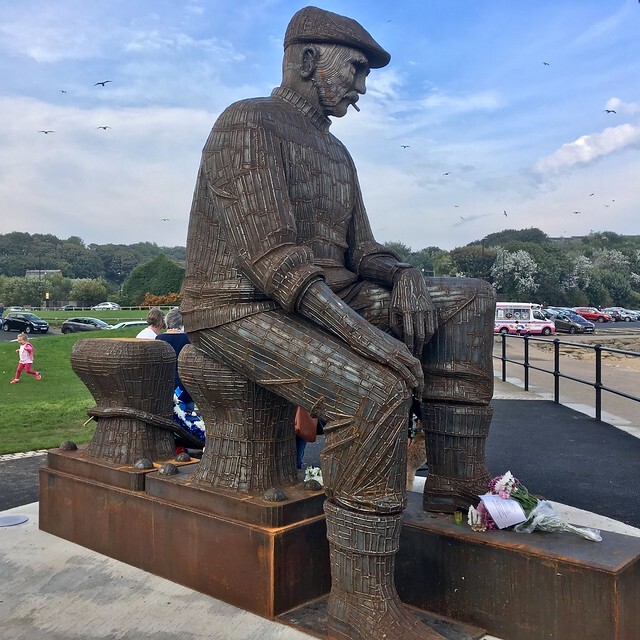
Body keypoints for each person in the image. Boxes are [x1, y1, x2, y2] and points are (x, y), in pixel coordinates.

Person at [181, 7, 495, 639]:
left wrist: (404, 275)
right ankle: (360, 599)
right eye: (355, 69)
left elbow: (362, 251)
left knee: (470, 299)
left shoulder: (337, 151)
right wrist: (368, 340)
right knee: (373, 392)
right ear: (306, 59)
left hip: (329, 294)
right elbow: (274, 263)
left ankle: (456, 486)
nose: (361, 87)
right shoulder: (247, 123)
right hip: (239, 307)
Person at [156, 307, 205, 447]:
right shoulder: (188, 339)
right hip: (185, 384)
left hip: (165, 385)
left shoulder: (159, 339)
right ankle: (188, 445)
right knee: (188, 419)